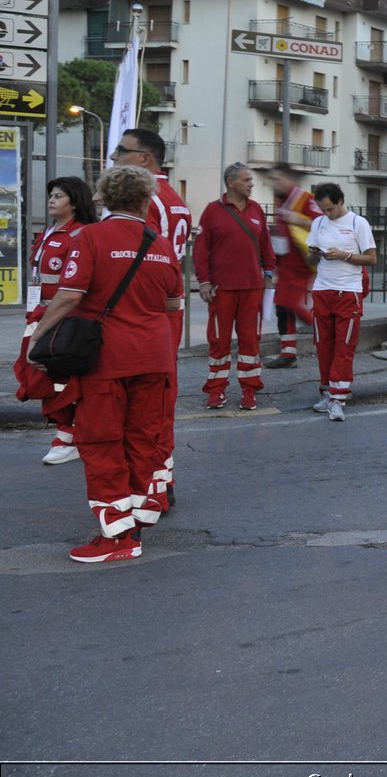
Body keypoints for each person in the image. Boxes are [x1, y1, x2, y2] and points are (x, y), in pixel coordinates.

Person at [30, 165, 182, 562]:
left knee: (100, 442)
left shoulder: (91, 237)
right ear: (146, 200)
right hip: (154, 357)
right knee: (143, 440)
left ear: (103, 197)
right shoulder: (161, 244)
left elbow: (69, 295)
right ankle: (135, 519)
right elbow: (172, 303)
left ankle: (117, 537)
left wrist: (40, 338)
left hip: (106, 359)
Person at [112, 128, 189, 511]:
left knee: (145, 406)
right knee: (159, 401)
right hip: (165, 311)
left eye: (121, 152)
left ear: (144, 158)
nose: (115, 158)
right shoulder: (176, 199)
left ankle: (154, 486)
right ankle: (161, 481)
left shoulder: (148, 200)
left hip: (146, 311)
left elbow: (141, 258)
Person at [15, 176, 96, 465]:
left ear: (74, 201)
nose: (51, 200)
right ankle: (70, 431)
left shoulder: (83, 234)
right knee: (36, 375)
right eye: (51, 195)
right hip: (39, 314)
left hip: (63, 318)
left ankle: (68, 435)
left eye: (59, 196)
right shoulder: (49, 232)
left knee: (59, 379)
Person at [193, 163, 276, 410]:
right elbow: (200, 250)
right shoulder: (212, 211)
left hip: (252, 288)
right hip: (222, 289)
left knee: (250, 340)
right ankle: (216, 391)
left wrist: (269, 272)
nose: (251, 184)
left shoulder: (256, 210)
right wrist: (204, 281)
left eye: (251, 180)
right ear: (231, 183)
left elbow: (266, 246)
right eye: (246, 180)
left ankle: (250, 390)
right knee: (219, 340)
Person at [305, 182, 376, 422]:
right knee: (323, 344)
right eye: (322, 210)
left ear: (340, 202)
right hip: (323, 289)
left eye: (329, 209)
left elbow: (371, 258)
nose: (326, 214)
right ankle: (327, 391)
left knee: (344, 346)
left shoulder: (358, 223)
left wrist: (344, 255)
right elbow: (309, 258)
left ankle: (339, 396)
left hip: (348, 291)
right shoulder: (318, 223)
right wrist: (315, 252)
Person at [263, 164, 321, 369]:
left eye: (277, 179)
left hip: (301, 265)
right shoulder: (283, 202)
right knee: (282, 305)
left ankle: (325, 327)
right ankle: (288, 352)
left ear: (289, 179)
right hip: (286, 265)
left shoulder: (305, 199)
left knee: (289, 304)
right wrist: (275, 267)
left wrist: (299, 220)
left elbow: (322, 224)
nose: (273, 184)